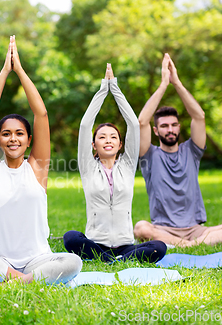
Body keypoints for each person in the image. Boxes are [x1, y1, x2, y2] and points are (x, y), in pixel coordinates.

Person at [0, 36, 82, 284]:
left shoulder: (37, 169)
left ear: (29, 140)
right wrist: (5, 71)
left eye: (19, 134)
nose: (13, 139)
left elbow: (42, 113)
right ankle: (26, 281)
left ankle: (14, 282)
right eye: (6, 134)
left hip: (38, 259)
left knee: (73, 261)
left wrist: (21, 71)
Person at [134, 53, 222, 247]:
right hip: (163, 229)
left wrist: (176, 83)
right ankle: (194, 244)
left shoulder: (192, 151)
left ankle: (186, 244)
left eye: (174, 125)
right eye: (165, 126)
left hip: (195, 229)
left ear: (178, 127)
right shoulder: (149, 156)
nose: (170, 129)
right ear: (156, 130)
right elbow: (142, 121)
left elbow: (199, 117)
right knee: (141, 228)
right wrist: (163, 85)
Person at [63, 64, 166, 263]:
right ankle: (115, 259)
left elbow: (134, 124)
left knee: (158, 247)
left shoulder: (127, 166)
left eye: (113, 137)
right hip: (96, 242)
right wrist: (104, 89)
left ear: (120, 144)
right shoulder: (88, 167)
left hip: (125, 243)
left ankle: (111, 259)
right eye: (102, 137)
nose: (108, 140)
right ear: (94, 145)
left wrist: (115, 88)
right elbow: (85, 125)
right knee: (71, 237)